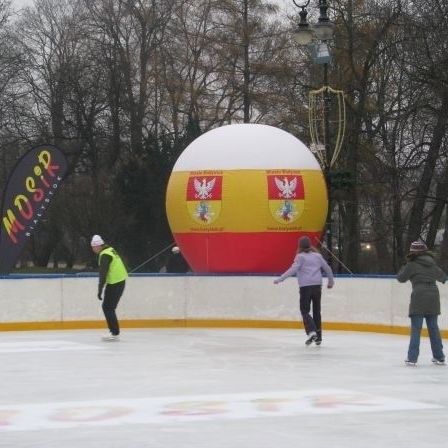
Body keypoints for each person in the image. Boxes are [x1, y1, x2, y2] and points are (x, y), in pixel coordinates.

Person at [273, 236, 334, 345]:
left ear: (299, 246)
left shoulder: (300, 257)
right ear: (310, 245)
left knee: (304, 310)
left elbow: (293, 269)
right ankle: (319, 337)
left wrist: (280, 279)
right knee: (316, 311)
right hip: (317, 286)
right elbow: (328, 269)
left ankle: (311, 332)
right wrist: (330, 282)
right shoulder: (318, 256)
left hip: (305, 287)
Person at [397, 240, 446, 366]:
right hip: (433, 295)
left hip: (419, 295)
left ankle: (412, 358)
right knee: (433, 327)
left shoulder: (412, 264)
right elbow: (443, 278)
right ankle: (439, 356)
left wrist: (404, 266)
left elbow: (401, 278)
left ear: (413, 252)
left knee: (416, 329)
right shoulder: (432, 263)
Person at [90, 235, 128, 341]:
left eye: (93, 247)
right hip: (120, 281)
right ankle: (114, 331)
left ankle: (114, 332)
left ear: (98, 246)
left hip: (115, 283)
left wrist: (99, 289)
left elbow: (103, 274)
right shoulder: (110, 249)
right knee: (109, 307)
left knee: (107, 307)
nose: (92, 249)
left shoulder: (105, 255)